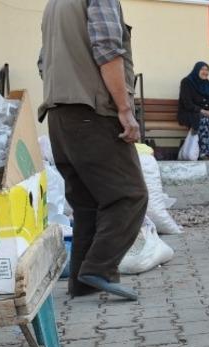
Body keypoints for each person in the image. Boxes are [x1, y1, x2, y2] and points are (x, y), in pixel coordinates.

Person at [38, 0, 146, 301]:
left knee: (87, 204)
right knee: (129, 195)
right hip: (93, 113)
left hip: (59, 116)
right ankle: (99, 268)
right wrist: (124, 109)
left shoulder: (54, 5)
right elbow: (108, 51)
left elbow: (43, 63)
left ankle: (83, 283)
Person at [178, 61, 209, 158]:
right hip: (189, 113)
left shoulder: (208, 85)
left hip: (205, 114)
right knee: (204, 120)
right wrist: (204, 111)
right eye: (202, 69)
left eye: (207, 70)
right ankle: (204, 153)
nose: (205, 72)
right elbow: (187, 104)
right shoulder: (186, 82)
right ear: (196, 70)